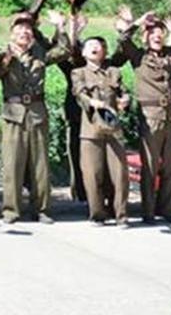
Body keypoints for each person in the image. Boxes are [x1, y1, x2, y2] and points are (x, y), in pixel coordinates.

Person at [0, 10, 70, 224]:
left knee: (40, 165)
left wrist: (60, 27)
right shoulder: (3, 53)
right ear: (11, 33)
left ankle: (42, 209)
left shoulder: (39, 53)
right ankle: (11, 210)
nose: (25, 31)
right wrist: (6, 60)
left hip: (36, 112)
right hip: (13, 114)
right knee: (12, 164)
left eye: (28, 28)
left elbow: (65, 51)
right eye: (20, 28)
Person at [115, 7, 171, 224]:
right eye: (152, 33)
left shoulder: (170, 55)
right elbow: (124, 39)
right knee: (150, 166)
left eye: (160, 33)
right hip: (150, 115)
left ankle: (168, 209)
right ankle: (149, 210)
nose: (157, 36)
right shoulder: (138, 57)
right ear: (145, 38)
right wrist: (138, 21)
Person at [72, 37, 132, 228]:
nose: (95, 48)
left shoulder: (113, 72)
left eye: (98, 46)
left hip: (113, 130)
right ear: (83, 52)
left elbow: (124, 92)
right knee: (92, 174)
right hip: (91, 130)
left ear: (104, 52)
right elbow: (79, 93)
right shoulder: (78, 72)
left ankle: (121, 215)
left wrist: (125, 100)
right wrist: (92, 103)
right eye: (90, 46)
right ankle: (97, 215)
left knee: (120, 174)